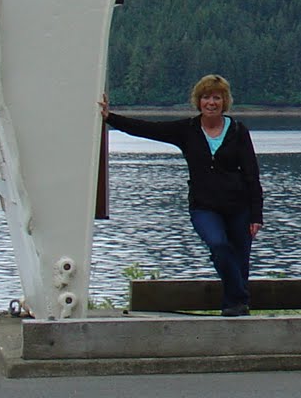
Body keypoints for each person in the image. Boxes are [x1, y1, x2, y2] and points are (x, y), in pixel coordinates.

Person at [100, 75, 264, 316]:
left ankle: (235, 308)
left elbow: (252, 174)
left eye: (216, 97)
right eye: (206, 97)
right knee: (219, 245)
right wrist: (110, 118)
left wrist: (256, 214)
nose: (211, 102)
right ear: (198, 101)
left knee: (240, 260)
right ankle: (240, 299)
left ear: (224, 101)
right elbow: (148, 129)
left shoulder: (238, 131)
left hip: (239, 207)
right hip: (204, 206)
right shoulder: (186, 130)